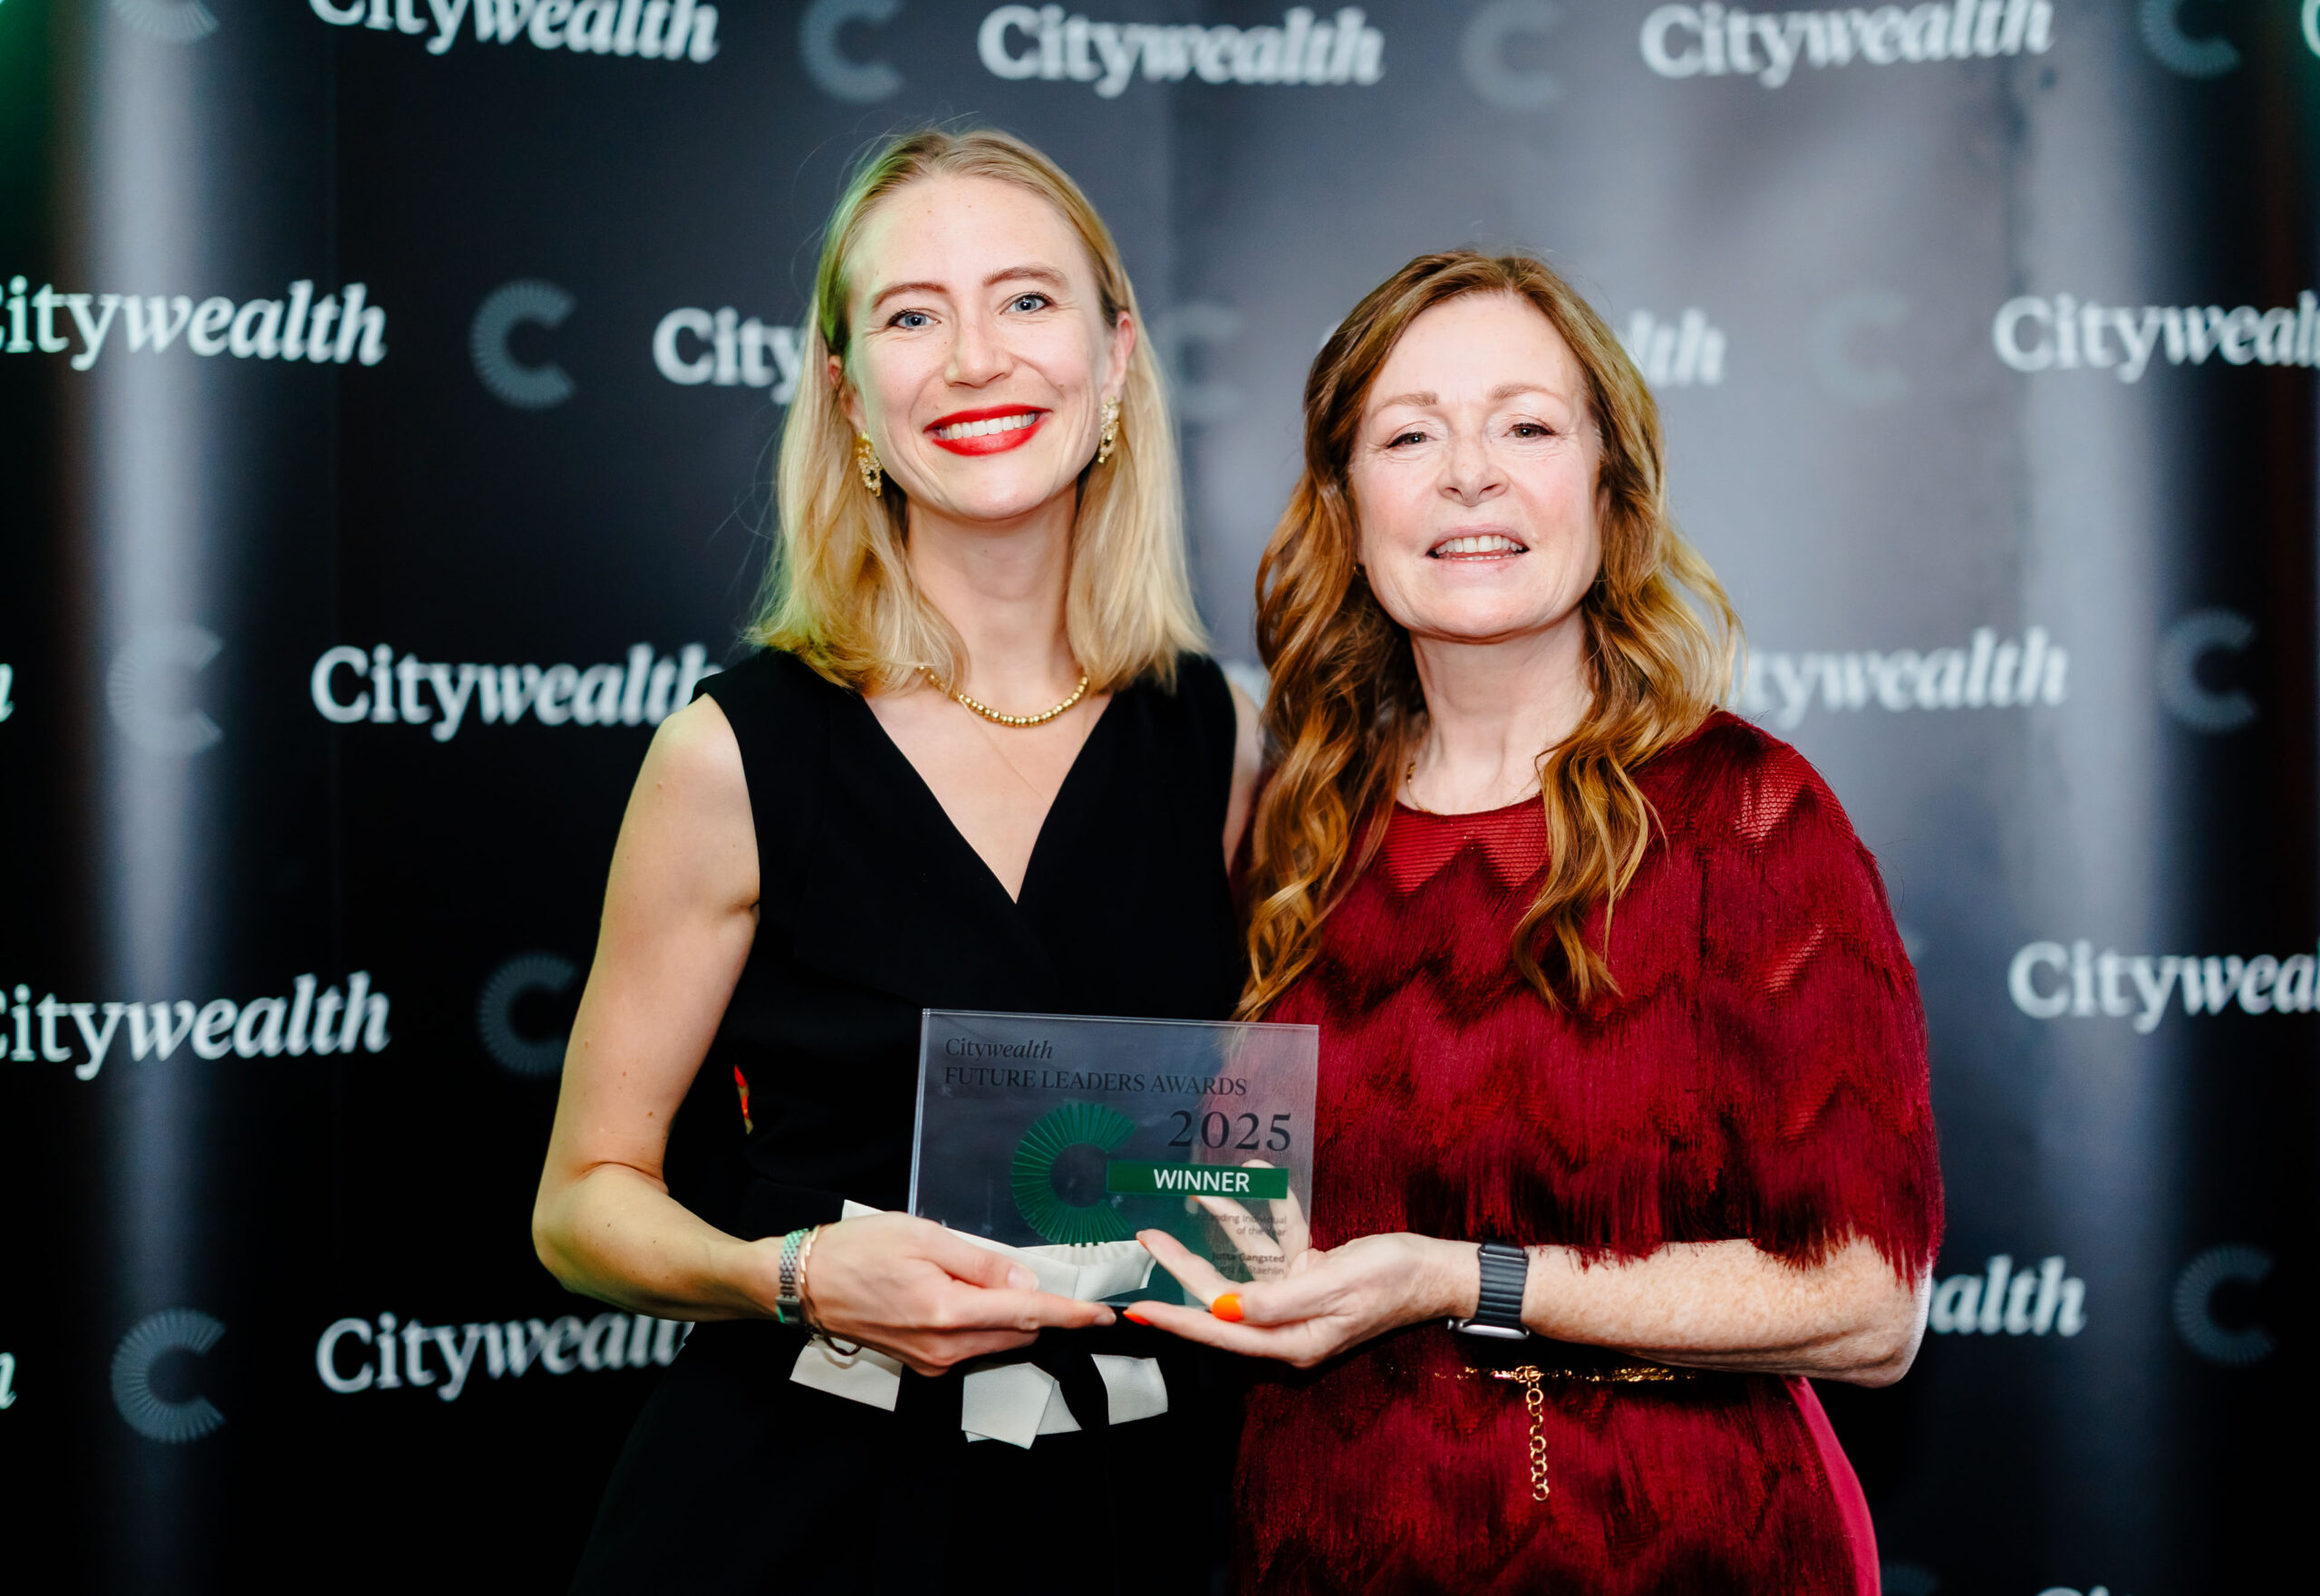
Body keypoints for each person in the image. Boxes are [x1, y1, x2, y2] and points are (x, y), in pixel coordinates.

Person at [1127, 250, 1941, 1594]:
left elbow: (1868, 1303)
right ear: (1346, 504)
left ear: (1609, 491)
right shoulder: (1296, 826)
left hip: (1685, 1560)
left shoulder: (1748, 818)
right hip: (1328, 1550)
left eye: (1526, 427)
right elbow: (1226, 1204)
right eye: (1410, 436)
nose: (1469, 475)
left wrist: (1465, 1278)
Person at [532, 128, 1260, 1594]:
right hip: (807, 1512)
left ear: (1117, 358)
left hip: (1140, 1507)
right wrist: (792, 1273)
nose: (977, 358)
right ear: (848, 392)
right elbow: (581, 1202)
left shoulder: (1225, 737)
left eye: (1027, 300)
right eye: (913, 315)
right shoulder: (730, 754)